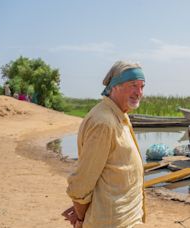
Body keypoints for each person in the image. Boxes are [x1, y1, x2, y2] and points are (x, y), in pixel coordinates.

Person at [64, 61, 146, 228]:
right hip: (111, 222)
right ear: (115, 86)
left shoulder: (120, 115)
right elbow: (81, 183)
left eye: (141, 86)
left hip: (124, 219)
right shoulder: (103, 123)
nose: (139, 92)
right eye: (133, 85)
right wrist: (81, 217)